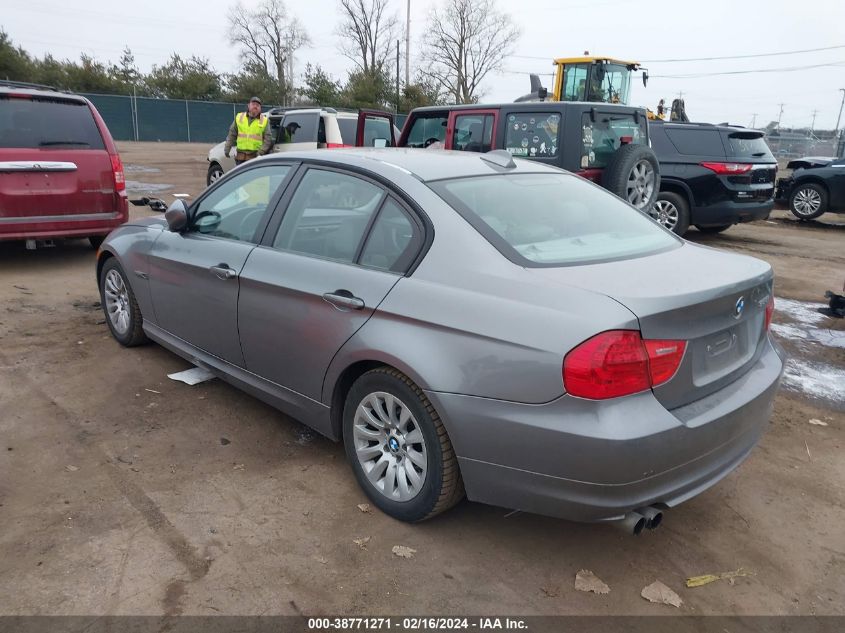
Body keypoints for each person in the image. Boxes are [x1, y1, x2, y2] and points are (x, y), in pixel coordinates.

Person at [224, 96, 273, 165]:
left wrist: (260, 153)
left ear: (260, 108)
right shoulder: (239, 117)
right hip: (240, 157)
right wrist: (227, 148)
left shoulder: (264, 120)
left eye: (258, 105)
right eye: (253, 104)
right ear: (248, 105)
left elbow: (268, 139)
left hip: (255, 157)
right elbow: (232, 134)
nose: (255, 106)